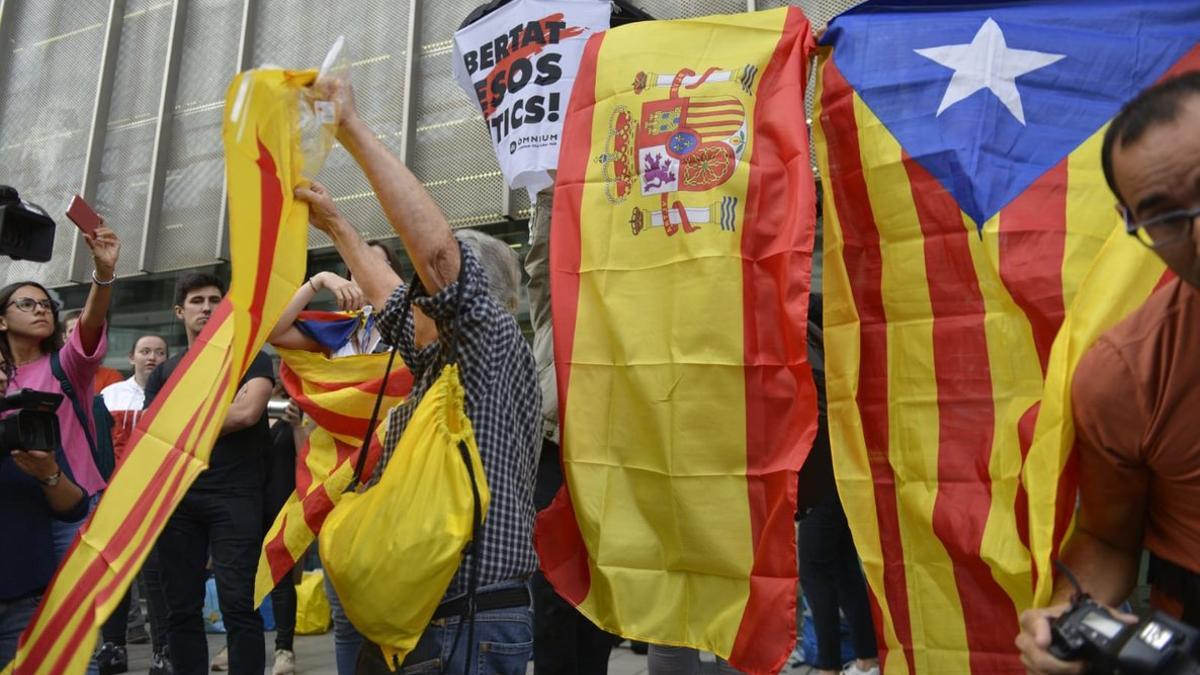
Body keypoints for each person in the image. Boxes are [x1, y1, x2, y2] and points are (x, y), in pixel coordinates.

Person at [294, 75, 540, 674]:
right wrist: (334, 226)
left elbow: (434, 258)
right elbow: (388, 299)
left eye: (429, 294)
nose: (414, 300)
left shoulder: (487, 342)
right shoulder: (441, 363)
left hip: (470, 619)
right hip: (433, 618)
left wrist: (349, 125)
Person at [1016, 72, 1200, 674]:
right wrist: (1066, 618)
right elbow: (1109, 538)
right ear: (1132, 226)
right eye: (1167, 216)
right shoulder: (1129, 375)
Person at [267, 242, 399, 675]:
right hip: (339, 481)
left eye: (372, 263)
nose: (361, 273)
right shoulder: (338, 330)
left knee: (397, 607)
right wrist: (318, 281)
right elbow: (275, 330)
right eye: (352, 267)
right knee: (345, 619)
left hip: (397, 479)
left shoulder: (413, 329)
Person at [144, 273, 274, 675]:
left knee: (239, 605)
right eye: (197, 301)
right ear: (180, 312)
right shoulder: (163, 373)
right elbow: (153, 431)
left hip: (238, 495)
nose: (206, 307)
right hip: (177, 497)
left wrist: (180, 413)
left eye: (215, 300)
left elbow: (247, 414)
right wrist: (219, 410)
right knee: (180, 609)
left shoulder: (252, 358)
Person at [0, 224, 119, 565]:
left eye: (45, 305)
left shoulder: (66, 365)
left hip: (74, 504)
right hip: (15, 510)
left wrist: (104, 273)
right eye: (26, 303)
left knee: (74, 609)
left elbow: (90, 321)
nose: (41, 309)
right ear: (1, 322)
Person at [796, 294, 879, 675]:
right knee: (844, 565)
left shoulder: (810, 349)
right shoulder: (837, 344)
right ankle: (866, 659)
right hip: (845, 457)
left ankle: (829, 665)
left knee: (814, 565)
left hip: (823, 459)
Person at [0, 364, 92, 663]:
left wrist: (48, 473)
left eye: (3, 368)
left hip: (24, 596)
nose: (2, 378)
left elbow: (73, 507)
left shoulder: (25, 429)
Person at [95, 334, 171, 675]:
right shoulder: (109, 396)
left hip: (160, 500)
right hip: (116, 499)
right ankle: (113, 646)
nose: (151, 357)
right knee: (114, 574)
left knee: (156, 578)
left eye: (159, 352)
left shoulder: (174, 394)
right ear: (131, 358)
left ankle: (162, 650)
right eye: (145, 351)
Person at [61, 309, 123, 393]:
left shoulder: (111, 376)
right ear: (64, 337)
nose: (77, 335)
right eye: (72, 331)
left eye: (82, 330)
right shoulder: (51, 373)